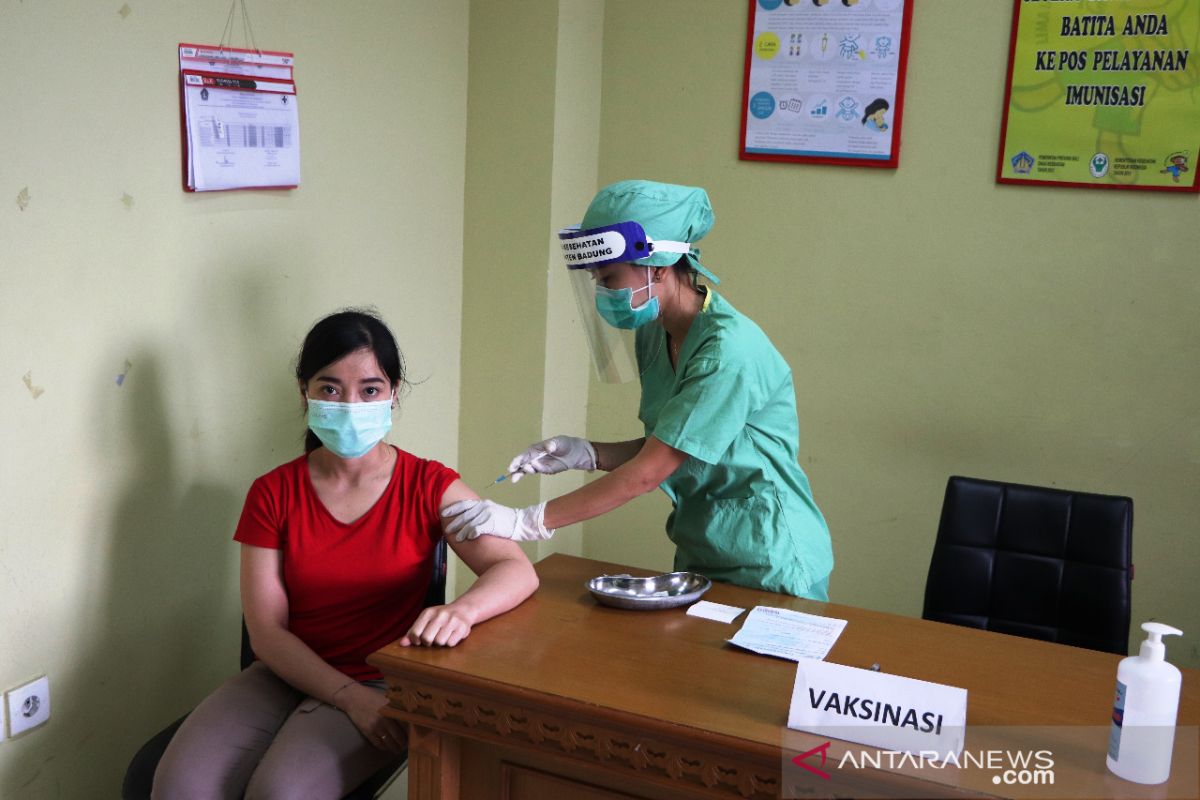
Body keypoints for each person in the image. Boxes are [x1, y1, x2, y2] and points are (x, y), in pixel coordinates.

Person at [152, 309, 538, 799]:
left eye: (369, 389)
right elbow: (267, 633)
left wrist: (461, 611)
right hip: (286, 672)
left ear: (394, 393)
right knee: (175, 788)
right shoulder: (273, 492)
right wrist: (345, 697)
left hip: (382, 682)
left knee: (279, 795)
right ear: (304, 392)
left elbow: (515, 569)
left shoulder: (430, 485)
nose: (350, 403)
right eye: (330, 388)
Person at [443, 180, 833, 600]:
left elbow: (649, 473)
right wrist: (588, 453)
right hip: (703, 551)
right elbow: (673, 445)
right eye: (596, 279)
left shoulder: (726, 352)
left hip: (769, 555)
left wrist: (525, 521)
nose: (602, 292)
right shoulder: (655, 331)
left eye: (609, 276)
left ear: (659, 266)